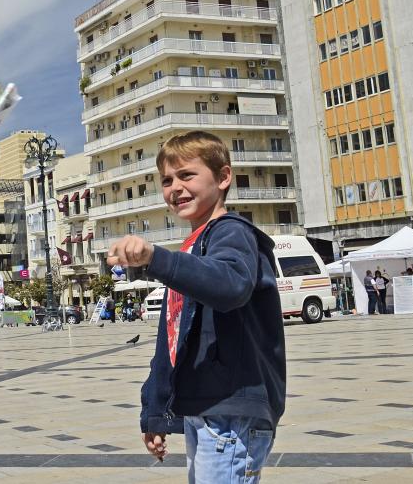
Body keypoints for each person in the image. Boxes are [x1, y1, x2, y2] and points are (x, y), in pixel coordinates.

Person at [107, 131, 285, 482]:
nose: (176, 187)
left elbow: (230, 285)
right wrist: (154, 411)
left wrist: (156, 258)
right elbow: (171, 343)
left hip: (232, 410)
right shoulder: (191, 251)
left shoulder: (232, 233)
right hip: (205, 411)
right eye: (167, 180)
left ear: (223, 177)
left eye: (187, 175)